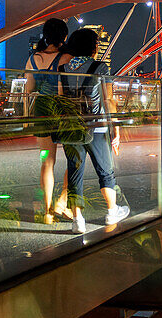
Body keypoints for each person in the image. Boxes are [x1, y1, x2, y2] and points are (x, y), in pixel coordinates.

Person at [60, 28, 130, 232]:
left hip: (72, 128)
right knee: (106, 172)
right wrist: (115, 127)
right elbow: (108, 99)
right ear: (92, 47)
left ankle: (77, 221)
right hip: (97, 127)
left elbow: (61, 98)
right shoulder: (100, 67)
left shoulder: (63, 68)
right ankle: (111, 212)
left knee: (75, 173)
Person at [23, 18, 69, 222]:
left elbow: (28, 89)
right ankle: (63, 201)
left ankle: (47, 212)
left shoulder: (33, 58)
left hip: (40, 110)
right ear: (63, 36)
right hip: (61, 110)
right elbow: (64, 86)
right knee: (75, 158)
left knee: (47, 163)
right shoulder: (65, 57)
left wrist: (26, 119)